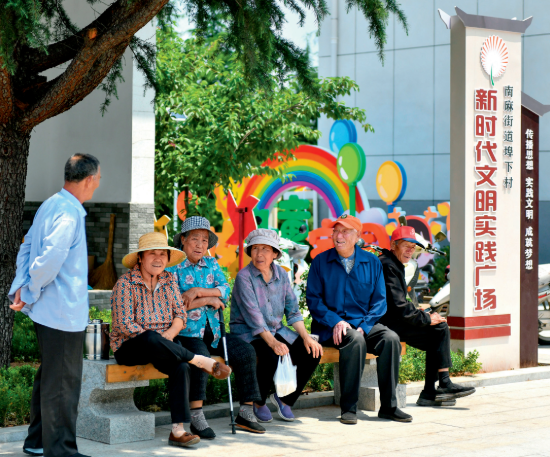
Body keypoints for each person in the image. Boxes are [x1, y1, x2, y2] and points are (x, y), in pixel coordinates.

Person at [8, 154, 101, 457]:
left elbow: (26, 246)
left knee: (50, 377)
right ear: (89, 179)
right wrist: (29, 290)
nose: (98, 183)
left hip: (50, 311)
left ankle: (37, 441)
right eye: (98, 178)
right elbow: (49, 259)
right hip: (62, 311)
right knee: (63, 383)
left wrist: (22, 286)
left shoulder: (51, 204)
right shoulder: (68, 213)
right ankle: (60, 451)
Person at [111, 232, 231, 448]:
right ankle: (199, 360)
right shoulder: (125, 283)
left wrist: (168, 335)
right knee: (150, 337)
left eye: (162, 254)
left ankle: (178, 430)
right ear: (140, 258)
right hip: (131, 346)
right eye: (152, 253)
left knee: (181, 367)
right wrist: (157, 339)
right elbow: (124, 325)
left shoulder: (168, 280)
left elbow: (180, 314)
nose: (158, 259)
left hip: (164, 344)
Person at [306, 214, 411, 425]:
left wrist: (364, 326)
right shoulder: (320, 262)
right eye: (336, 231)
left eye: (345, 231)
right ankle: (349, 408)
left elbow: (380, 302)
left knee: (390, 339)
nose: (339, 236)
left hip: (362, 324)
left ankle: (389, 407)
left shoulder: (371, 262)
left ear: (357, 236)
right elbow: (314, 301)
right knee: (354, 339)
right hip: (330, 327)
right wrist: (336, 321)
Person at [167, 216, 265, 437]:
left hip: (215, 332)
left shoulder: (211, 264)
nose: (200, 244)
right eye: (195, 239)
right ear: (183, 240)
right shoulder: (173, 268)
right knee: (202, 359)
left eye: (204, 240)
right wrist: (209, 299)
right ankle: (196, 416)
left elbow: (225, 290)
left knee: (246, 351)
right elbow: (176, 302)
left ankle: (246, 412)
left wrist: (197, 292)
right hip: (188, 333)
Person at [230, 229, 323, 423]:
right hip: (248, 332)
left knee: (312, 351)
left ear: (275, 253)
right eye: (255, 248)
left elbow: (293, 310)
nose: (259, 254)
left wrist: (306, 337)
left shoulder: (281, 274)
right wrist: (273, 343)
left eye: (265, 249)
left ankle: (285, 399)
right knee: (270, 355)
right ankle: (259, 402)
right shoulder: (244, 277)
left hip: (276, 329)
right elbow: (254, 318)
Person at [378, 225, 475, 406]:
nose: (410, 250)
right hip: (385, 324)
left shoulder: (394, 263)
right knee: (438, 328)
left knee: (438, 330)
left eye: (412, 247)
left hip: (394, 319)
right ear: (393, 245)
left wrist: (420, 313)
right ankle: (440, 385)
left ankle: (432, 390)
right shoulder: (387, 265)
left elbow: (398, 302)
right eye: (405, 245)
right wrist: (426, 318)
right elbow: (398, 306)